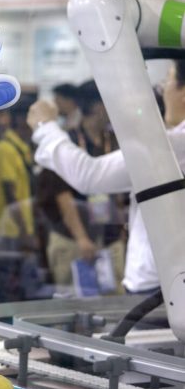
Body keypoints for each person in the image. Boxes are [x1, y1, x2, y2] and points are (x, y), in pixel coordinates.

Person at [27, 61, 185, 294]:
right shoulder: (75, 139)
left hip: (160, 281)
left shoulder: (171, 146)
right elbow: (64, 194)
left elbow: (90, 175)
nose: (162, 92)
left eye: (167, 82)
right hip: (84, 243)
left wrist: (45, 127)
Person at [34, 81, 125, 289]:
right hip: (74, 240)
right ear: (98, 107)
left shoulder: (113, 141)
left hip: (109, 238)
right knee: (75, 301)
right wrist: (82, 238)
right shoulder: (66, 142)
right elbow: (62, 195)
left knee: (117, 301)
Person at [0, 96, 40, 299]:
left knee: (17, 290)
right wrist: (24, 233)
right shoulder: (6, 149)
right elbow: (10, 194)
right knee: (4, 292)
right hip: (5, 232)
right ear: (22, 120)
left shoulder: (22, 148)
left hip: (15, 231)